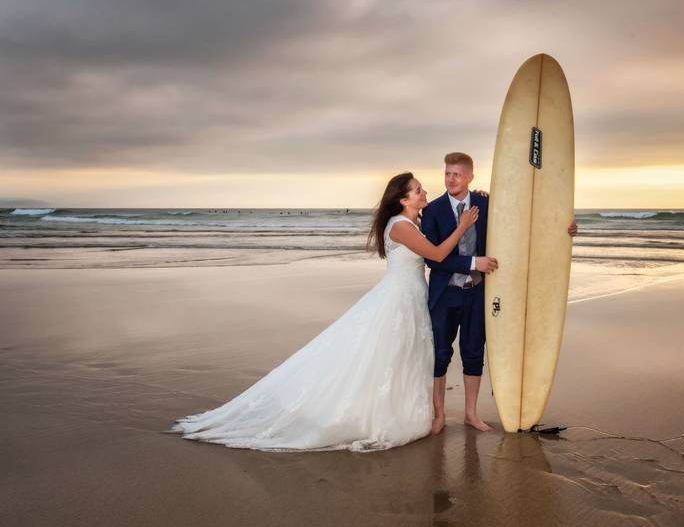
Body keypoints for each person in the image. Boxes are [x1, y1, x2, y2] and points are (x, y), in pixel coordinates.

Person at [170, 172, 477, 452]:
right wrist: (463, 226)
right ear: (403, 198)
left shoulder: (414, 223)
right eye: (418, 190)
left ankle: (399, 410)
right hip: (398, 298)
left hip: (411, 296)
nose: (425, 192)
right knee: (382, 355)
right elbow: (436, 254)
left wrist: (476, 198)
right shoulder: (400, 226)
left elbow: (437, 230)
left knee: (399, 357)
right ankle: (375, 415)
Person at [421, 152, 577, 434]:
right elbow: (433, 258)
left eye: (456, 174)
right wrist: (473, 262)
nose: (450, 179)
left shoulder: (486, 203)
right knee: (440, 354)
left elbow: (521, 226)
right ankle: (439, 415)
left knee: (473, 352)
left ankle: (471, 414)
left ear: (470, 176)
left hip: (477, 294)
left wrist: (561, 227)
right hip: (445, 294)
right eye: (447, 173)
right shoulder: (432, 211)